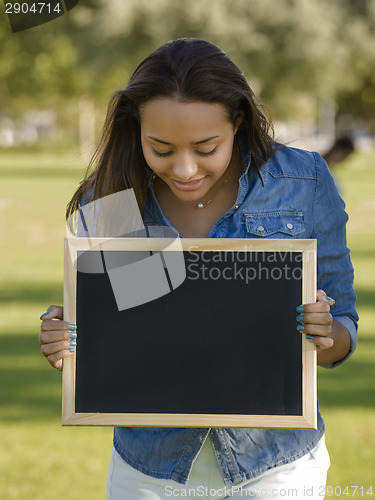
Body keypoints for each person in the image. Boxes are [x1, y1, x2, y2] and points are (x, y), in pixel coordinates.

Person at [39, 38, 358, 499]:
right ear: (136, 130)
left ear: (239, 123)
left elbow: (342, 328)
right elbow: (115, 329)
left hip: (277, 470)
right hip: (149, 474)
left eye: (207, 147)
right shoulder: (110, 198)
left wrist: (324, 335)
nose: (185, 169)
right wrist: (67, 338)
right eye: (161, 148)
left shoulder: (303, 182)